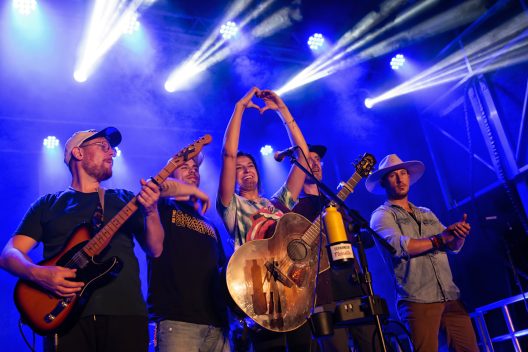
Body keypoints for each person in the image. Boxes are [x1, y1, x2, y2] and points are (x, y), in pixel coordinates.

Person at [0, 127, 164, 352]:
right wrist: (38, 274)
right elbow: (9, 254)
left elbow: (155, 249)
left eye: (113, 149)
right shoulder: (47, 204)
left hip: (126, 314)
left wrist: (152, 211)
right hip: (64, 317)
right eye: (103, 147)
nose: (112, 153)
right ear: (78, 152)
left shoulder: (126, 199)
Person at [216, 87, 312, 351]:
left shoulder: (278, 202)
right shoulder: (232, 206)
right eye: (239, 170)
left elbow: (303, 156)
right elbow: (228, 154)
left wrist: (283, 110)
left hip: (293, 294)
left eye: (250, 167)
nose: (245, 172)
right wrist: (239, 108)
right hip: (260, 297)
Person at [366, 154, 479, 352]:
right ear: (384, 182)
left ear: (409, 177)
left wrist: (458, 235)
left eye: (403, 173)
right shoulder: (381, 216)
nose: (401, 179)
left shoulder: (426, 212)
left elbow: (452, 246)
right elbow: (398, 247)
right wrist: (440, 239)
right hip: (417, 300)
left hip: (450, 296)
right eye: (393, 175)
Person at [272, 145, 378, 352]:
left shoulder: (337, 202)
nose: (314, 163)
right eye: (308, 159)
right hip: (320, 294)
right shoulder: (291, 210)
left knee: (372, 345)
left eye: (317, 159)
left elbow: (359, 239)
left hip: (354, 286)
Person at [147, 154, 230, 352]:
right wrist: (191, 190)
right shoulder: (162, 207)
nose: (192, 169)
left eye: (195, 167)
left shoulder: (210, 225)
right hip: (177, 323)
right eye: (184, 166)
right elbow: (155, 185)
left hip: (218, 326)